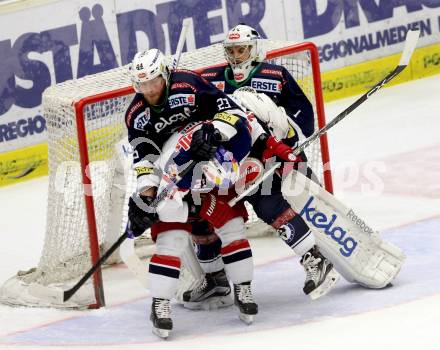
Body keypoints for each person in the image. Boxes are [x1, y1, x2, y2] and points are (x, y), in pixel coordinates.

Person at [182, 24, 340, 310]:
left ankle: (318, 258)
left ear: (254, 49)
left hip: (275, 155)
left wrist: (280, 125)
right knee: (200, 212)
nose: (235, 55)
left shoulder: (276, 75)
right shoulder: (211, 80)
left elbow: (304, 120)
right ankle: (215, 279)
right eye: (230, 50)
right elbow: (193, 111)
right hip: (232, 164)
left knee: (275, 204)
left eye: (241, 49)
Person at [124, 48, 260, 337]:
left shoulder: (189, 84)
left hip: (215, 162)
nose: (149, 89)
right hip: (174, 175)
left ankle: (243, 290)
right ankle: (159, 303)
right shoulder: (136, 116)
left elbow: (233, 112)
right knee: (170, 233)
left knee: (233, 226)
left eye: (153, 81)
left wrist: (214, 133)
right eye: (142, 84)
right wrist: (144, 200)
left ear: (165, 73)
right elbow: (145, 160)